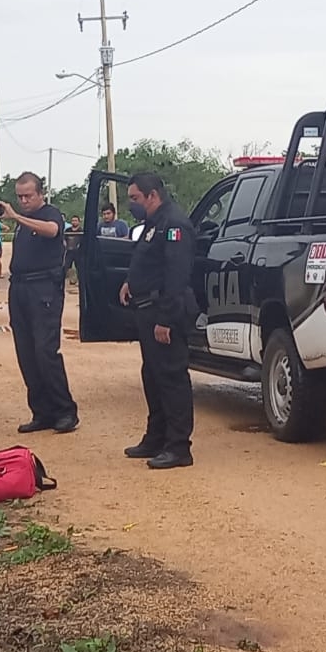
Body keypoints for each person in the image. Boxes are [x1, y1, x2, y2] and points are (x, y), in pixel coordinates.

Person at [121, 173, 198, 470]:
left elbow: (176, 275)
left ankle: (179, 447)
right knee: (152, 376)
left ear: (152, 195)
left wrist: (166, 319)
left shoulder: (174, 224)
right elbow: (148, 259)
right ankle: (156, 437)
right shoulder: (155, 222)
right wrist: (131, 282)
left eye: (135, 198)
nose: (132, 205)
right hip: (145, 306)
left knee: (171, 378)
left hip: (163, 310)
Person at [0, 172, 79, 434]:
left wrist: (17, 217)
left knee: (45, 351)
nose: (23, 201)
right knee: (27, 353)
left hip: (43, 289)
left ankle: (65, 411)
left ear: (40, 193)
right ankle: (42, 412)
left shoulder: (49, 213)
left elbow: (53, 231)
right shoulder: (24, 222)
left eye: (28, 196)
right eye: (19, 197)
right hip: (19, 287)